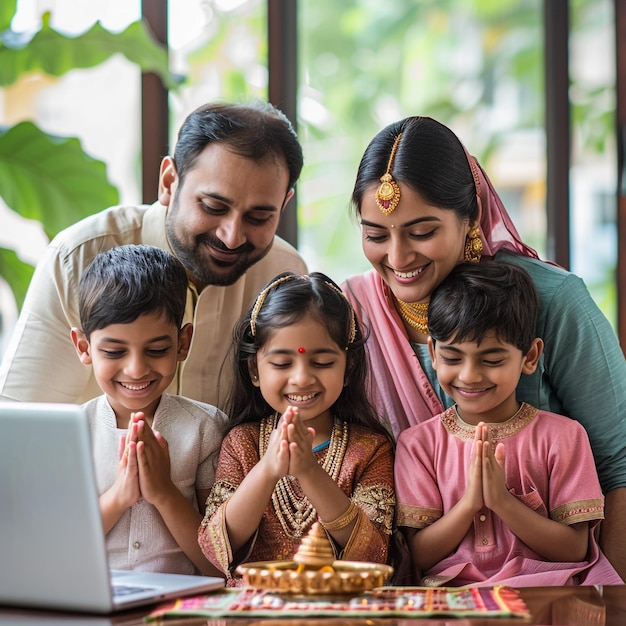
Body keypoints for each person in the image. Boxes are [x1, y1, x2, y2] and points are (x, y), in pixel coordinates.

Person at [342, 115, 626, 578]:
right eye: (376, 235)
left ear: (470, 215)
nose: (396, 258)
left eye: (421, 232)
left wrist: (611, 600)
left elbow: (619, 463)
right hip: (424, 590)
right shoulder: (357, 311)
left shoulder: (551, 300)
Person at [0, 100, 307, 409]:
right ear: (169, 182)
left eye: (258, 218)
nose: (232, 237)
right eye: (213, 207)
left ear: (284, 204)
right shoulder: (77, 258)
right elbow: (21, 422)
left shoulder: (283, 274)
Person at [395, 260, 622, 587]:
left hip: (546, 597)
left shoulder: (563, 437)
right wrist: (471, 502)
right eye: (453, 358)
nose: (470, 375)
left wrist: (501, 501)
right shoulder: (419, 444)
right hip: (454, 603)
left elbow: (574, 549)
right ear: (432, 353)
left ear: (530, 357)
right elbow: (418, 555)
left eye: (492, 360)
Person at [197, 272, 395, 585]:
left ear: (349, 368)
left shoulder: (371, 449)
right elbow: (213, 547)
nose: (301, 378)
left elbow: (373, 553)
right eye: (282, 363)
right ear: (254, 369)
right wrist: (266, 471)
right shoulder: (242, 443)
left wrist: (310, 473)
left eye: (322, 362)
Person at [70, 244, 226, 577]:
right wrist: (120, 496)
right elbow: (54, 553)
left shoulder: (205, 428)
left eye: (156, 350)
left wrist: (164, 493)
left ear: (183, 343)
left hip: (182, 609)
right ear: (84, 348)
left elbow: (218, 567)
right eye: (114, 352)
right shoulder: (71, 433)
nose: (137, 370)